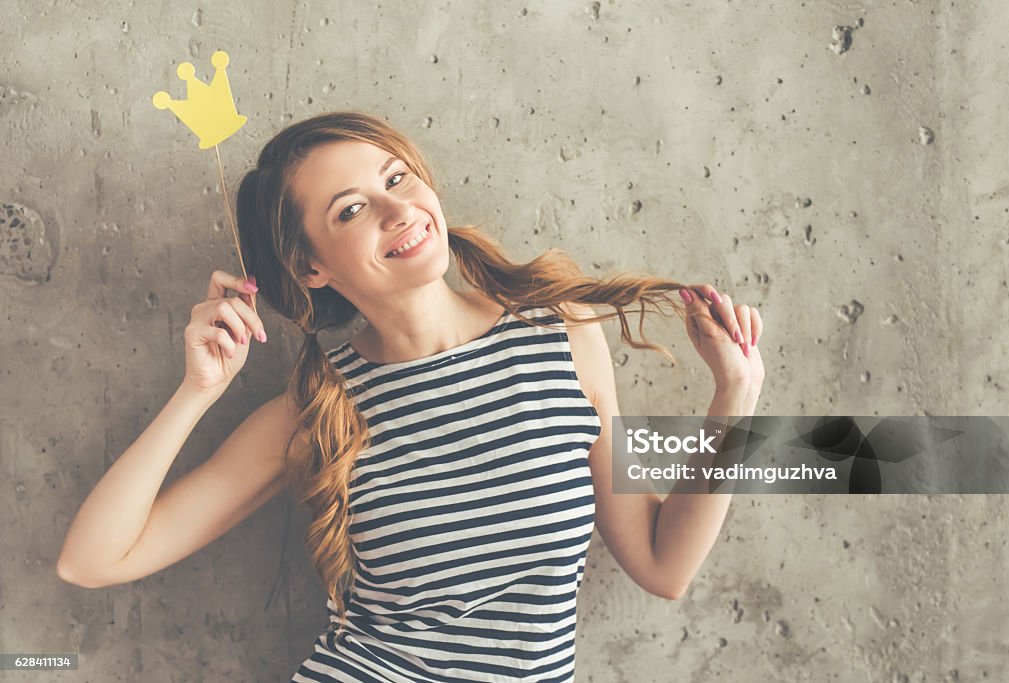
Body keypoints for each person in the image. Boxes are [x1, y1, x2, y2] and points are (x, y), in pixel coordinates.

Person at [57, 111, 765, 682]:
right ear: (310, 265)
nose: (399, 209)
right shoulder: (315, 411)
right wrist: (196, 393)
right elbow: (90, 560)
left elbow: (662, 564)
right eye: (352, 209)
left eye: (398, 177)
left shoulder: (563, 340)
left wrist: (735, 393)